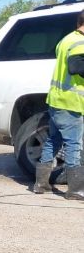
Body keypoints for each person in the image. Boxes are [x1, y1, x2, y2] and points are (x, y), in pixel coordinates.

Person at [33, 10, 84, 200]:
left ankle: (41, 184)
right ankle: (76, 190)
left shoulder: (65, 40)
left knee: (53, 141)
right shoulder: (80, 42)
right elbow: (75, 67)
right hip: (71, 104)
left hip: (56, 101)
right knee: (73, 144)